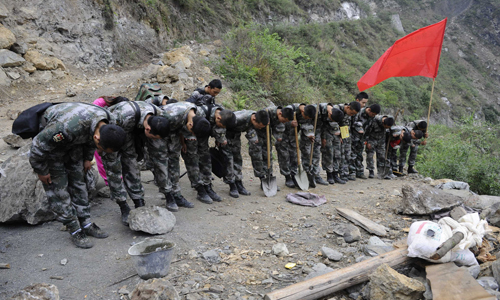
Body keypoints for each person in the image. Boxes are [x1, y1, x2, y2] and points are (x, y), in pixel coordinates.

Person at [29, 102, 126, 249]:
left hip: (76, 142)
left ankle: (86, 223)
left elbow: (89, 142)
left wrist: (87, 158)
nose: (100, 153)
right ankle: (74, 228)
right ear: (97, 137)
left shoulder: (109, 123)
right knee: (59, 188)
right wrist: (41, 170)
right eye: (100, 149)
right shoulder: (65, 127)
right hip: (54, 147)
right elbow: (37, 146)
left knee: (79, 182)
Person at [102, 100, 170, 225]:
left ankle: (139, 201)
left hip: (130, 131)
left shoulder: (159, 115)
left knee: (132, 164)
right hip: (112, 132)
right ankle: (123, 205)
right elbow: (106, 133)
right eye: (153, 137)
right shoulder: (121, 115)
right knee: (113, 168)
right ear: (148, 129)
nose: (154, 140)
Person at [159, 101, 211, 211]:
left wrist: (182, 142)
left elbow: (181, 127)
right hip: (157, 131)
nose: (191, 135)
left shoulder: (197, 114)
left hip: (172, 131)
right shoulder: (169, 115)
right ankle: (169, 196)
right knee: (162, 162)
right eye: (191, 132)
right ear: (191, 124)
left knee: (174, 161)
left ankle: (177, 195)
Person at [181, 104, 236, 203]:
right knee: (192, 161)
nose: (222, 127)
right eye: (221, 125)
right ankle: (200, 190)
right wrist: (182, 143)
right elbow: (181, 128)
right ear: (218, 118)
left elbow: (220, 132)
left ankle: (207, 186)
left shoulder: (225, 116)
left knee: (206, 160)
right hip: (190, 135)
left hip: (203, 139)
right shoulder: (198, 114)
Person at [223, 109, 269, 198]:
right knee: (228, 160)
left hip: (235, 135)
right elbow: (221, 125)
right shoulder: (238, 118)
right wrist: (220, 139)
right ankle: (232, 185)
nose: (260, 128)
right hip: (225, 135)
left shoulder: (254, 117)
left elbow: (250, 130)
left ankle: (238, 183)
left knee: (237, 158)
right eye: (259, 126)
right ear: (254, 120)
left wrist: (255, 141)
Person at [264, 105, 295, 188]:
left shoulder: (283, 117)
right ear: (280, 114)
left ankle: (288, 176)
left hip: (278, 133)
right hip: (263, 131)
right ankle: (266, 178)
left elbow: (282, 127)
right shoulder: (267, 112)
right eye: (284, 120)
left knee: (284, 153)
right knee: (266, 154)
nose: (284, 122)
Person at [350, 104, 380, 179]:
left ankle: (359, 172)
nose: (373, 116)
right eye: (373, 114)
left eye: (374, 115)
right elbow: (351, 124)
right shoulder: (358, 113)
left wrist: (367, 140)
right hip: (353, 137)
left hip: (362, 138)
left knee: (359, 155)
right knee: (352, 155)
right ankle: (352, 172)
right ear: (369, 110)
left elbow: (369, 130)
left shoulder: (372, 118)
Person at [333, 101, 361, 182]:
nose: (351, 115)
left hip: (345, 132)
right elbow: (333, 123)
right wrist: (339, 136)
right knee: (338, 155)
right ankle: (336, 173)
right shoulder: (337, 109)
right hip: (334, 134)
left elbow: (346, 124)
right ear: (348, 107)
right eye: (351, 113)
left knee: (347, 153)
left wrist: (344, 136)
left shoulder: (349, 113)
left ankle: (344, 173)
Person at [320, 106, 346, 184]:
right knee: (329, 154)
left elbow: (343, 125)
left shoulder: (341, 114)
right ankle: (329, 175)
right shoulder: (324, 112)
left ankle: (336, 174)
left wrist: (342, 136)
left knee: (337, 154)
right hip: (327, 135)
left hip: (337, 135)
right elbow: (322, 126)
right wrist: (323, 137)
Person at [364, 115, 395, 179]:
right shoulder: (374, 120)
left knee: (382, 157)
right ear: (383, 123)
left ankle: (381, 173)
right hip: (371, 140)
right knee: (370, 155)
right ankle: (371, 171)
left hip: (381, 141)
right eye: (386, 127)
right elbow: (367, 131)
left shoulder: (390, 121)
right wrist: (367, 142)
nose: (386, 128)